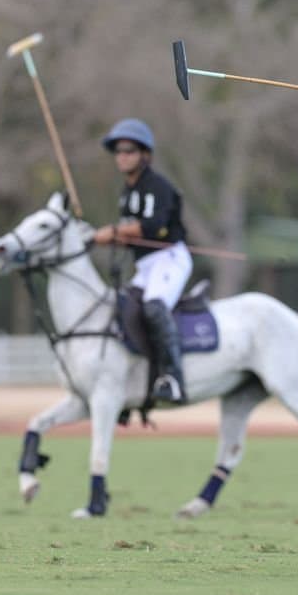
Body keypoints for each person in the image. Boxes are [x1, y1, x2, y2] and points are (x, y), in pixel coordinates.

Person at [94, 118, 191, 403]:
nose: (122, 156)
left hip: (170, 258)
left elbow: (153, 227)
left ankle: (174, 379)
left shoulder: (158, 186)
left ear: (144, 154)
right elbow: (127, 236)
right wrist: (101, 237)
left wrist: (111, 232)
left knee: (154, 308)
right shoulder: (127, 193)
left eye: (129, 150)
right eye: (118, 151)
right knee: (122, 308)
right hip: (146, 266)